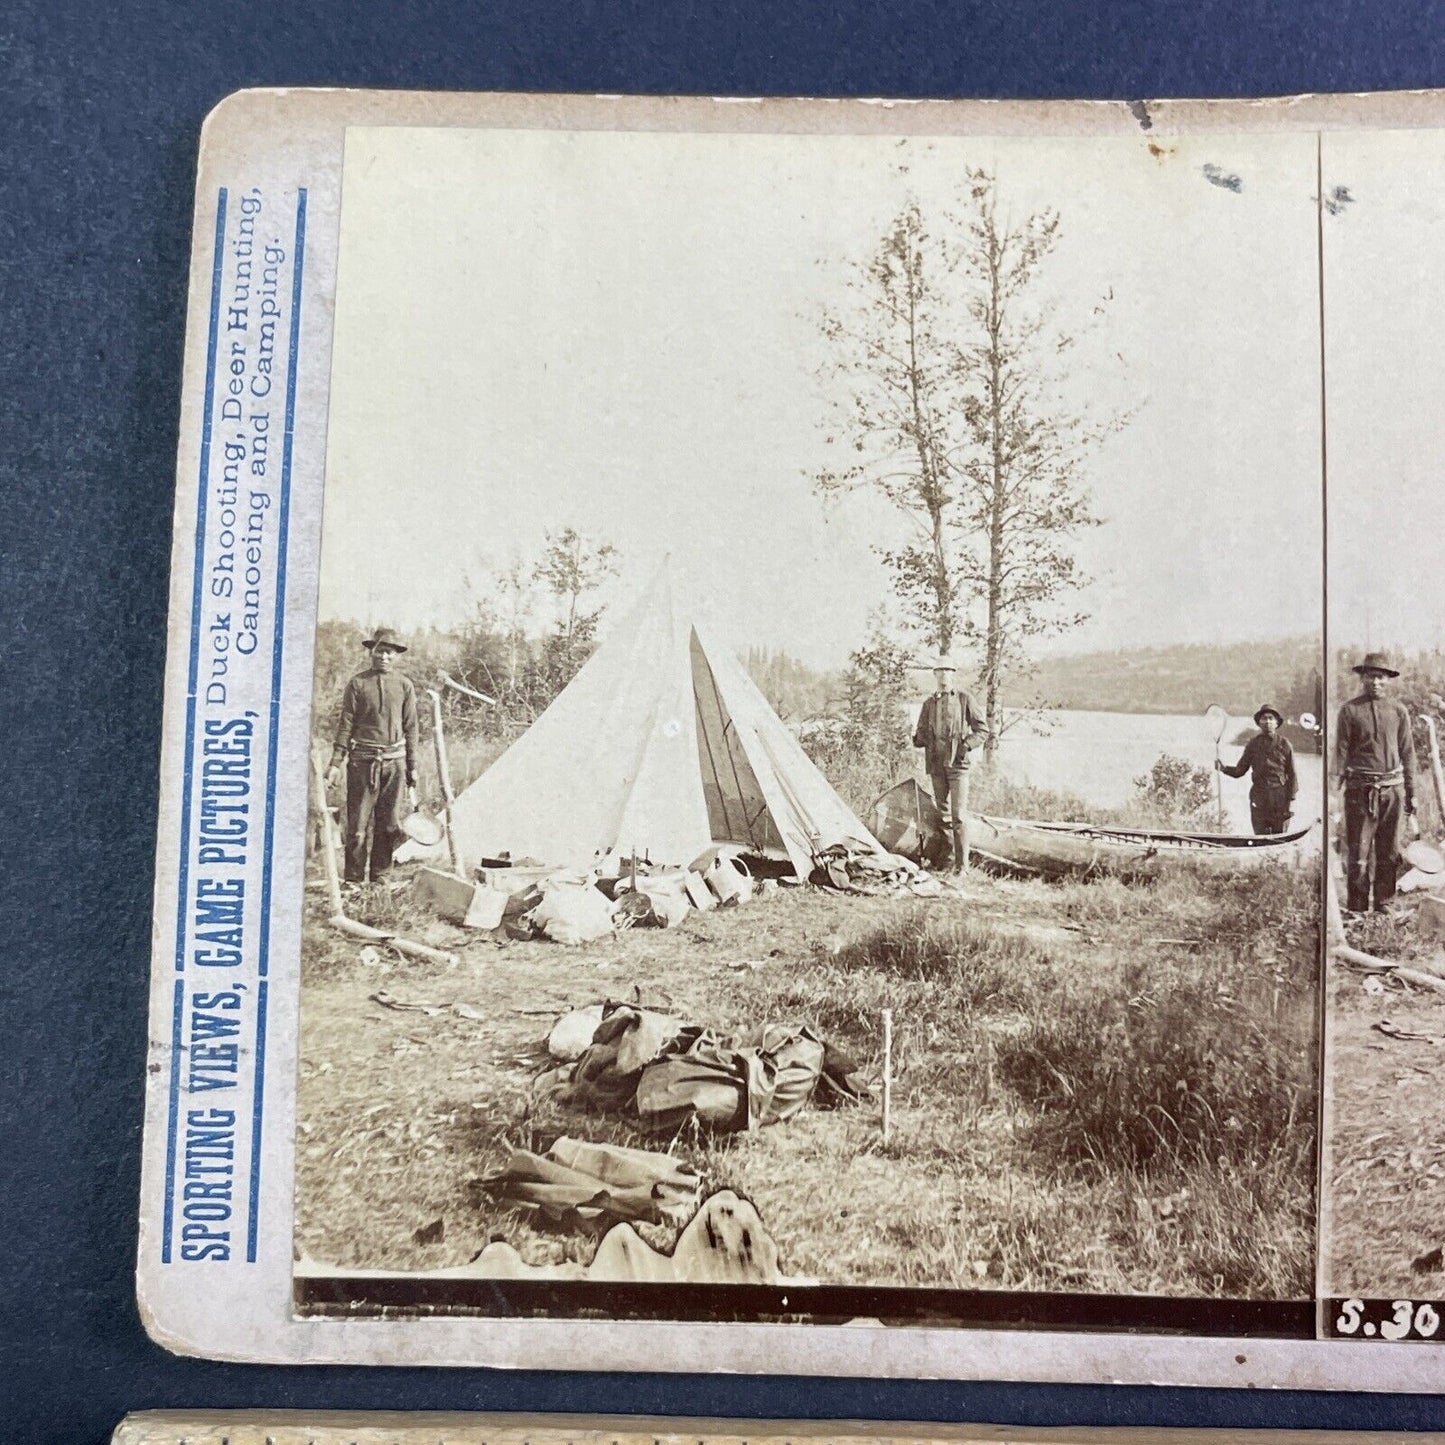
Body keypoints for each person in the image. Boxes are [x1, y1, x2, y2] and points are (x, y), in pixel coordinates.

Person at [326, 627, 419, 884]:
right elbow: (345, 724)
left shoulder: (404, 686)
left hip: (395, 764)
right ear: (371, 652)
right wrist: (336, 762)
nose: (384, 657)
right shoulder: (357, 684)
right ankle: (353, 881)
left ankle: (381, 878)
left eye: (389, 652)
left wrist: (413, 766)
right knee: (356, 828)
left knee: (389, 825)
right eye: (379, 651)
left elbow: (411, 728)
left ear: (396, 655)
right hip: (362, 763)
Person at [1336, 651, 1417, 913]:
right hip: (1360, 791)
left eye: (1381, 677)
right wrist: (1331, 795)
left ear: (1388, 680)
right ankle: (1357, 909)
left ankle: (1385, 905)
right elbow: (1340, 753)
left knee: (1389, 853)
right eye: (1371, 677)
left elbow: (1408, 753)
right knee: (1358, 855)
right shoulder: (1349, 710)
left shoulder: (1398, 711)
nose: (1376, 683)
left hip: (1392, 791)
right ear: (1363, 678)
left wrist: (1411, 791)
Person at [912, 661, 988, 871]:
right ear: (935, 675)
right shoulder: (928, 703)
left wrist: (965, 746)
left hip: (958, 766)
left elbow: (982, 730)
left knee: (959, 816)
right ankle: (946, 863)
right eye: (940, 671)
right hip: (936, 766)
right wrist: (918, 739)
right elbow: (921, 733)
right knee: (943, 816)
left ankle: (962, 867)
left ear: (953, 675)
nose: (944, 676)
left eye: (948, 671)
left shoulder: (964, 699)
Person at [1215, 704, 1298, 835]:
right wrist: (1223, 768)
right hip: (1259, 796)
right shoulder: (1253, 744)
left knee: (1279, 835)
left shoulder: (1285, 744)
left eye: (1271, 718)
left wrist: (1291, 800)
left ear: (1277, 723)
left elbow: (1292, 774)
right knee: (1259, 835)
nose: (1267, 722)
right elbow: (1240, 770)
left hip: (1279, 798)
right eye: (1264, 718)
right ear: (1259, 723)